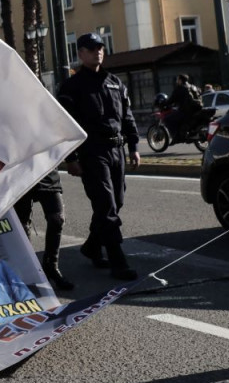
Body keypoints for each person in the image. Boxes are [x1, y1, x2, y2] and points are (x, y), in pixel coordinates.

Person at [57, 33, 140, 281]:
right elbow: (65, 125)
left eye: (100, 48)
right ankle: (117, 260)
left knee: (117, 201)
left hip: (117, 150)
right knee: (105, 205)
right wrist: (71, 158)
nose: (98, 53)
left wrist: (134, 145)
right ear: (81, 54)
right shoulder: (72, 86)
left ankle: (92, 246)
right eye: (92, 49)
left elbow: (127, 116)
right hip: (92, 152)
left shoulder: (115, 82)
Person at [12, 170, 74, 291]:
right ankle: (30, 268)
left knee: (57, 218)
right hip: (19, 173)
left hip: (46, 171)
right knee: (22, 225)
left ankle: (51, 266)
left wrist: (72, 159)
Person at [165, 73, 203, 139]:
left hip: (185, 111)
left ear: (180, 80)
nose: (177, 81)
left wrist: (164, 104)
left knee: (167, 119)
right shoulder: (193, 87)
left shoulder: (180, 88)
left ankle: (176, 136)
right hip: (196, 110)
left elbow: (172, 99)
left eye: (177, 79)